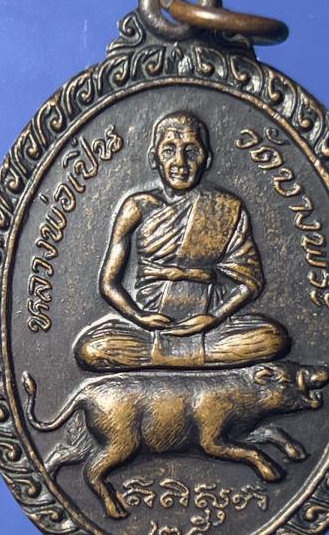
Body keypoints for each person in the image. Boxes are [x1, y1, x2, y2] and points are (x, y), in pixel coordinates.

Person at [74, 111, 289, 371]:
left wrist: (213, 317)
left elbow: (250, 282)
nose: (180, 162)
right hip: (150, 326)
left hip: (209, 325)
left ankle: (165, 358)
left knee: (273, 338)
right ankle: (190, 357)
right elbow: (108, 284)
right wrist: (139, 317)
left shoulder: (226, 207)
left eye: (191, 151)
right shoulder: (137, 206)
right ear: (153, 158)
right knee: (91, 350)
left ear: (207, 160)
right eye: (169, 151)